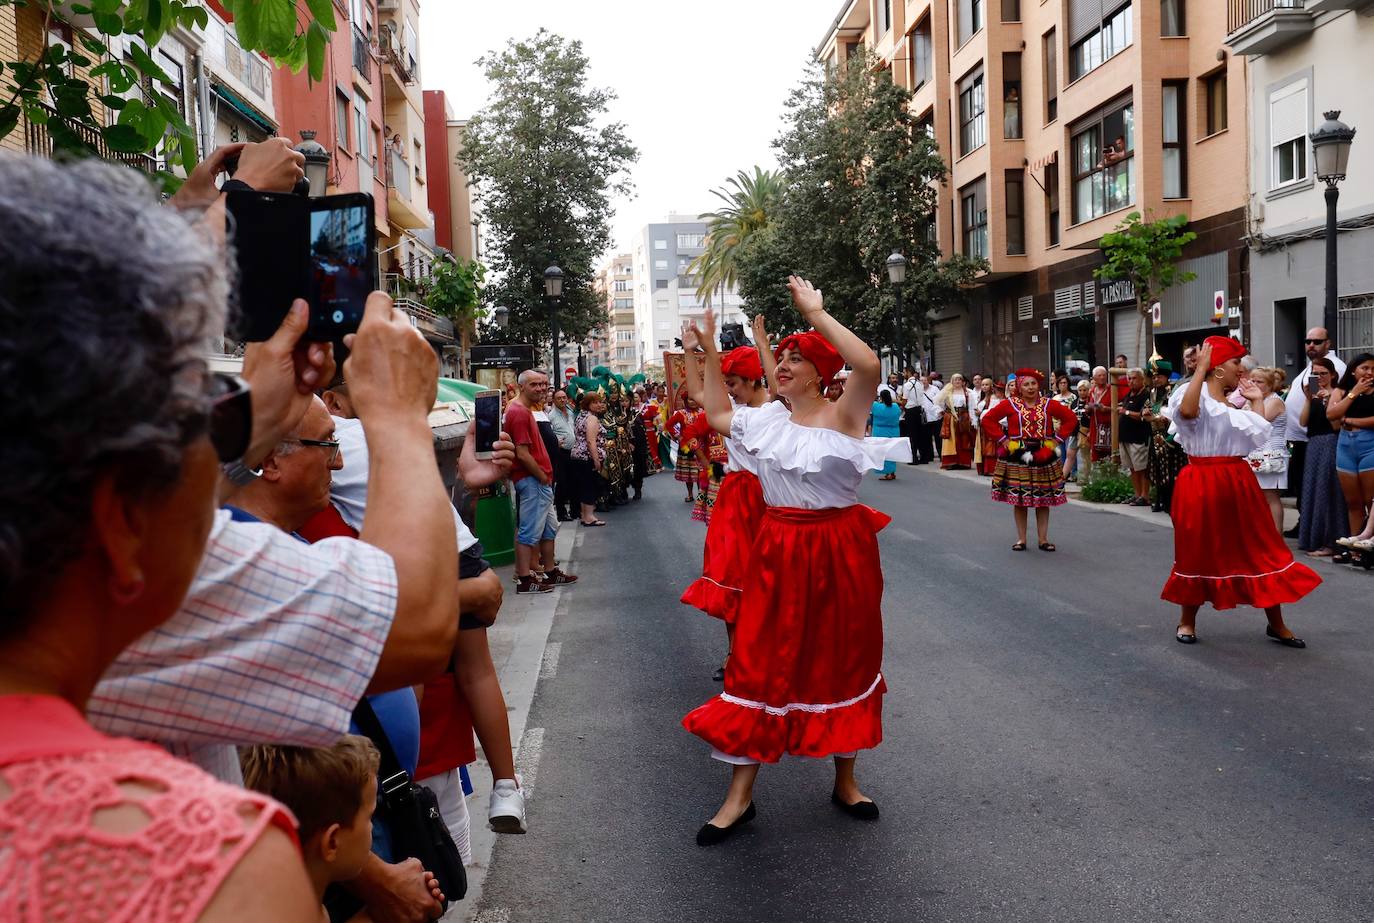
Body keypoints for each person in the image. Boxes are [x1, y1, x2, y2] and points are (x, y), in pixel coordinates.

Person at [0, 155, 320, 920]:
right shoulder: (215, 866)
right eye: (202, 412)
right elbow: (421, 617)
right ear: (118, 515)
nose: (220, 452)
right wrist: (400, 413)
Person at [682, 278, 910, 846]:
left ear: (818, 372)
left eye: (793, 358)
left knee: (844, 657)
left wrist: (817, 311)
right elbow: (714, 413)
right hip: (778, 548)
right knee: (758, 660)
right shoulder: (766, 421)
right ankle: (739, 797)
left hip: (840, 551)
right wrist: (707, 351)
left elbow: (870, 364)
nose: (780, 365)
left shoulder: (845, 414)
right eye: (779, 357)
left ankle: (847, 780)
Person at [1163, 337, 1319, 647]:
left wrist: (1257, 398)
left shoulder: (1231, 400)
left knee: (1258, 549)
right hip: (1201, 481)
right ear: (1218, 367)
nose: (1242, 368)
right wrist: (1200, 370)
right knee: (1197, 551)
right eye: (1236, 362)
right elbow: (1189, 413)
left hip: (1238, 479)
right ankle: (1186, 621)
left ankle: (1276, 623)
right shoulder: (1192, 394)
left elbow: (1255, 436)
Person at [240, 737, 444, 919]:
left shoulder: (293, 898)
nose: (372, 827)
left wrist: (391, 911)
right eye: (370, 817)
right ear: (332, 842)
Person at [680, 338, 770, 681]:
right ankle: (735, 654)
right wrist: (692, 352)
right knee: (731, 578)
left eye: (733, 384)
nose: (728, 391)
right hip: (736, 499)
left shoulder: (777, 411)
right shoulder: (736, 413)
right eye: (727, 384)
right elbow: (699, 393)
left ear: (753, 380)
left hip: (768, 499)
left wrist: (760, 348)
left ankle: (762, 654)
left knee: (767, 582)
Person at [980, 369, 1079, 551]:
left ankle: (1043, 539)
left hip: (1043, 455)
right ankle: (1021, 539)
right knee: (1019, 499)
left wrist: (1057, 440)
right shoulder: (1010, 404)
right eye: (1026, 384)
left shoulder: (1048, 404)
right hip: (1018, 455)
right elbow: (988, 420)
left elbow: (1071, 419)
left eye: (1033, 383)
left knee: (1043, 499)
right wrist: (1004, 440)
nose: (1031, 387)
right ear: (1019, 387)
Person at [506, 370, 574, 594]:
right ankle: (525, 579)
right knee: (528, 531)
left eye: (543, 384)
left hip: (541, 481)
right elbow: (522, 453)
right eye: (534, 385)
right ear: (522, 387)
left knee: (548, 529)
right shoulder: (518, 412)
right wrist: (541, 475)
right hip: (533, 480)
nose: (541, 389)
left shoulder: (525, 410)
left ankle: (551, 571)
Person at [1282, 327, 1347, 536]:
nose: (1311, 345)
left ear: (1328, 344)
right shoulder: (1310, 366)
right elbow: (1304, 409)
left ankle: (1322, 530)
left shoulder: (1335, 367)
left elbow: (1337, 405)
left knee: (1322, 488)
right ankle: (1308, 525)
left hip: (1323, 437)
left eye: (1317, 342)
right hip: (1305, 435)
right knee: (1306, 486)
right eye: (1308, 341)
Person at [1298, 357, 1346, 558]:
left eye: (1323, 374)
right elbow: (1302, 421)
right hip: (1314, 443)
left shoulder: (1337, 392)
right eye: (1315, 374)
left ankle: (1330, 540)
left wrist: (1328, 400)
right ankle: (1312, 538)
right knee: (1312, 490)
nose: (1319, 378)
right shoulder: (1314, 395)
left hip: (1330, 442)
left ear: (1333, 375)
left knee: (1326, 491)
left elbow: (1335, 423)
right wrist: (1309, 399)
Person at [1329, 352, 1374, 552]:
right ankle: (1355, 547)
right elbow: (1331, 414)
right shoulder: (1343, 389)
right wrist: (1354, 392)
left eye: (1373, 369)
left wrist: (1348, 421)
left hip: (1369, 444)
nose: (1370, 373)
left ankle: (1369, 543)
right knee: (1353, 501)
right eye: (1365, 368)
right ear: (1354, 370)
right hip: (1345, 444)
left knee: (1369, 499)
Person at [1247, 367, 1290, 533]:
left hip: (1271, 453)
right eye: (1253, 381)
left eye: (1260, 382)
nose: (1255, 384)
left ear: (1270, 385)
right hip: (1255, 452)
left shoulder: (1274, 401)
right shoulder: (1253, 399)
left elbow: (1259, 422)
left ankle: (1276, 535)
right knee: (1257, 497)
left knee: (1271, 496)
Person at [1145, 360, 1187, 514]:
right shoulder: (1153, 393)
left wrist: (1157, 418)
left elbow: (1174, 415)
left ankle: (1171, 502)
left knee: (1171, 471)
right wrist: (1146, 414)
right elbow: (1148, 408)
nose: (1156, 380)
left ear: (1166, 377)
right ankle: (1159, 499)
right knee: (1156, 470)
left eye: (1159, 377)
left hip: (1169, 437)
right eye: (1154, 377)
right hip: (1155, 436)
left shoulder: (1172, 393)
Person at [571, 391, 609, 526]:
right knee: (589, 486)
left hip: (578, 456)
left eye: (600, 402)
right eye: (595, 402)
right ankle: (589, 517)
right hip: (587, 457)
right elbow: (590, 441)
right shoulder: (592, 419)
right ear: (588, 404)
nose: (599, 405)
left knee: (584, 485)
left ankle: (585, 515)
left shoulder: (581, 416)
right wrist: (596, 459)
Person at [1117, 367, 1153, 506]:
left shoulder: (1146, 395)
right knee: (1132, 468)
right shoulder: (1129, 395)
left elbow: (1143, 415)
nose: (1131, 381)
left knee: (1142, 468)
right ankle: (1137, 494)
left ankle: (1145, 495)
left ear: (1142, 379)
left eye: (1134, 378)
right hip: (1125, 437)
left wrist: (1125, 412)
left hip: (1139, 437)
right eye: (1129, 378)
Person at [936, 373, 977, 469]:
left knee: (964, 440)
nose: (957, 381)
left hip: (963, 418)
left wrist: (973, 419)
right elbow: (938, 402)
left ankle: (963, 462)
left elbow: (971, 407)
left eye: (959, 379)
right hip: (950, 418)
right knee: (951, 440)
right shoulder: (947, 392)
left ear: (963, 382)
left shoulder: (968, 393)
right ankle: (951, 462)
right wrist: (941, 412)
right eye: (955, 380)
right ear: (952, 381)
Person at [549, 389, 578, 521]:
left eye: (564, 397)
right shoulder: (551, 415)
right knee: (562, 483)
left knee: (574, 482)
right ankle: (561, 512)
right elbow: (549, 433)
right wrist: (555, 441)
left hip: (573, 452)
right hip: (561, 453)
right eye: (559, 398)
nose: (562, 400)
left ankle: (575, 510)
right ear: (554, 400)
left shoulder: (571, 412)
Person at [668, 392, 702, 503]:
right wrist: (678, 436)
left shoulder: (703, 412)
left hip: (701, 446)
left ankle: (701, 494)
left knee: (700, 472)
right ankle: (690, 494)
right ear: (686, 401)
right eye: (690, 400)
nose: (693, 402)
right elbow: (668, 425)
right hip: (686, 447)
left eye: (695, 400)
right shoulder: (681, 414)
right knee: (689, 473)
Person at [1050, 375, 1081, 481]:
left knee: (1070, 451)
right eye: (1061, 383)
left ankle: (1074, 473)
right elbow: (1051, 413)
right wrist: (1055, 425)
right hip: (1057, 429)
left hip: (1068, 428)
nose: (1063, 385)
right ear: (1057, 385)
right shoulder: (1055, 398)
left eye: (1065, 383)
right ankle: (1063, 474)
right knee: (1060, 451)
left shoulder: (1073, 397)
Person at [871, 384, 904, 480]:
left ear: (881, 398)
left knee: (883, 453)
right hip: (894, 431)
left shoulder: (876, 406)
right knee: (891, 452)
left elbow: (870, 402)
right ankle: (891, 472)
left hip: (880, 432)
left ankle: (888, 473)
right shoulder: (895, 407)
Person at [901, 368, 928, 464]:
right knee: (920, 434)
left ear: (908, 373)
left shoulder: (907, 385)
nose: (903, 374)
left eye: (904, 372)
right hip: (919, 410)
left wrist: (901, 406)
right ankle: (924, 457)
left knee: (912, 435)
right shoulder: (920, 384)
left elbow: (904, 400)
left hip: (910, 411)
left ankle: (914, 458)